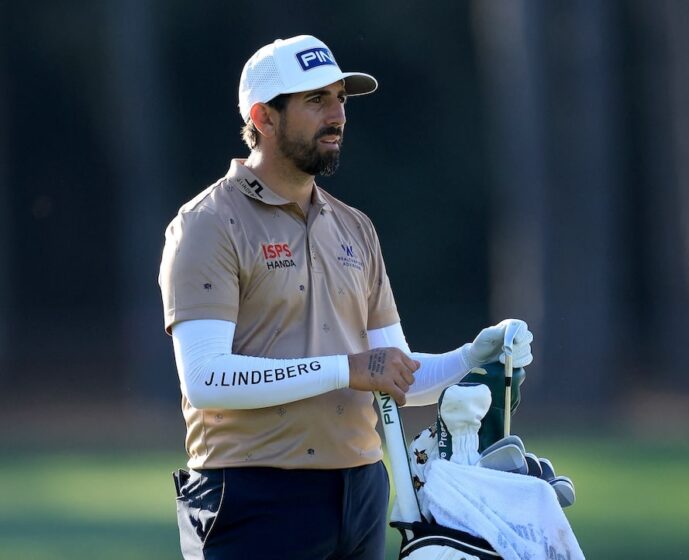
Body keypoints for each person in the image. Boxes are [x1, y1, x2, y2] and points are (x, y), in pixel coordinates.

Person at [158, 34, 534, 560]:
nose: (337, 114)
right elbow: (206, 381)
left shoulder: (355, 228)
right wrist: (346, 369)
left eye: (340, 99)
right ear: (263, 117)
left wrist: (472, 358)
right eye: (316, 100)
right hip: (252, 498)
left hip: (359, 494)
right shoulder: (207, 225)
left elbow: (394, 374)